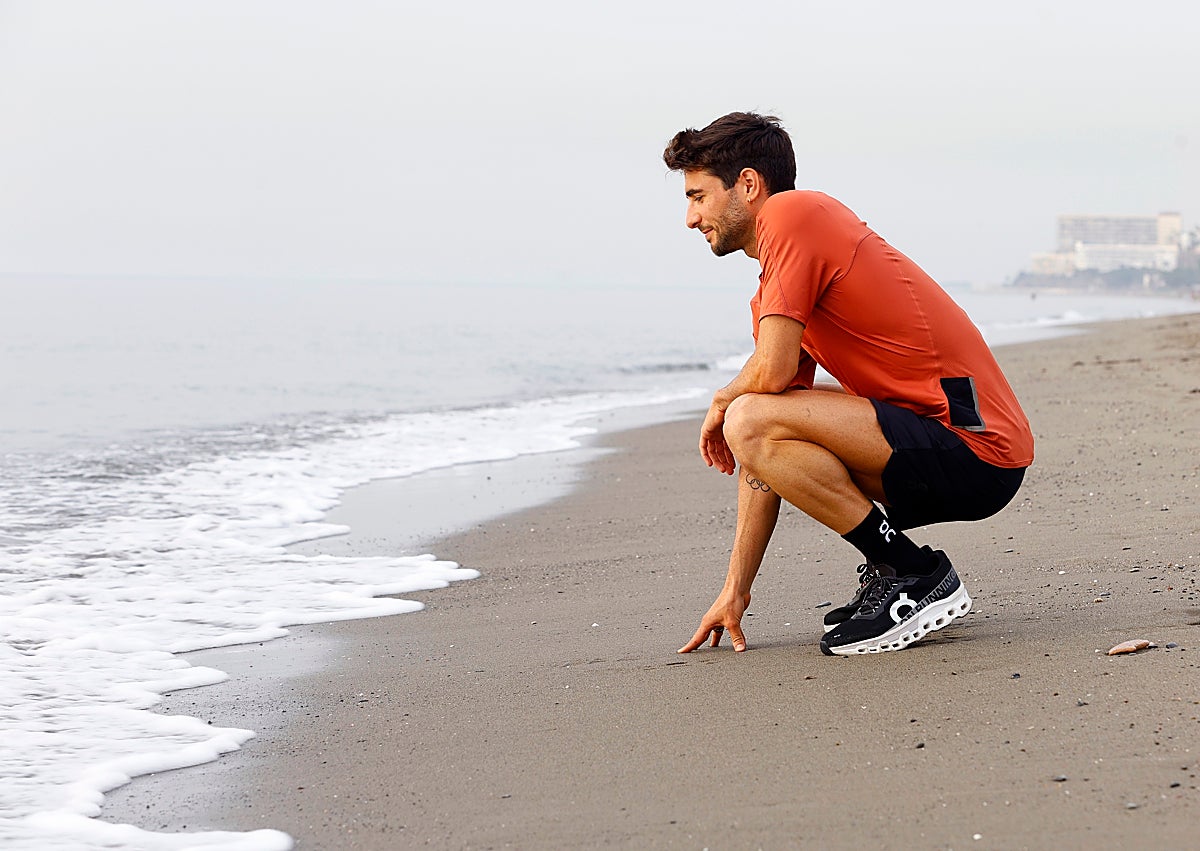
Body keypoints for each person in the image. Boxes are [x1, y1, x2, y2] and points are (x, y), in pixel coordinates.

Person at [663, 112, 1033, 657]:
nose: (690, 219)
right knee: (757, 419)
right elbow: (765, 443)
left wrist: (722, 401)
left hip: (977, 448)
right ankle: (898, 568)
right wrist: (735, 592)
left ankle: (913, 573)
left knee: (747, 413)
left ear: (747, 184)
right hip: (934, 448)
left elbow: (760, 387)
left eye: (698, 196)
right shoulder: (776, 283)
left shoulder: (794, 213)